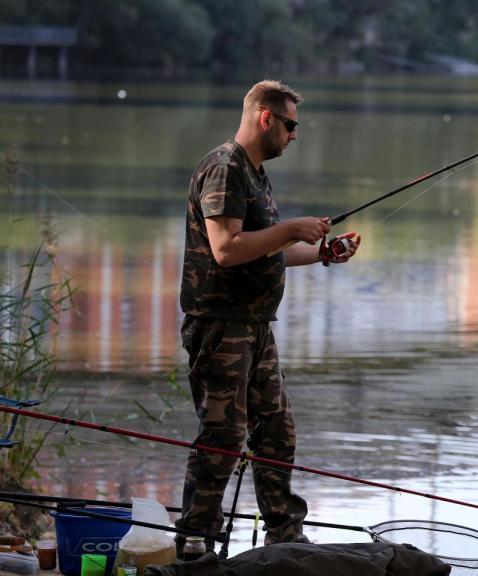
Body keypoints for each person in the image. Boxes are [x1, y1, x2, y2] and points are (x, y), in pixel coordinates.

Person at [176, 79, 360, 552]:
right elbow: (226, 250)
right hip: (221, 325)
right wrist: (290, 228)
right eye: (291, 125)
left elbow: (265, 252)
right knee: (224, 433)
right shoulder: (224, 168)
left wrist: (320, 251)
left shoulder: (254, 173)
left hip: (256, 327)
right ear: (266, 118)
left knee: (276, 430)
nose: (294, 135)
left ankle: (286, 538)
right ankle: (196, 539)